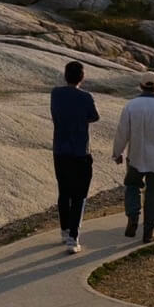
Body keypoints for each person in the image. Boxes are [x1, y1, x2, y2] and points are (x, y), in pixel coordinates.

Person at [113, 70, 154, 243]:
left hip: (136, 157)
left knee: (132, 186)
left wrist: (117, 153)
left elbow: (122, 132)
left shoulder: (131, 106)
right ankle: (149, 231)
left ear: (141, 86)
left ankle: (133, 217)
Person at [50, 59, 100, 253]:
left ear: (65, 75)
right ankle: (73, 237)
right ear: (82, 77)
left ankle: (64, 230)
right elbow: (94, 116)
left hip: (60, 151)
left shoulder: (56, 94)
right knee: (79, 195)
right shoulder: (86, 97)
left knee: (64, 192)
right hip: (80, 152)